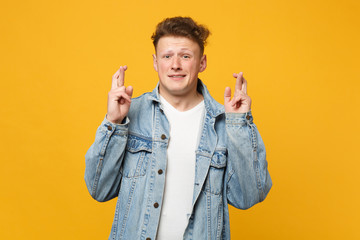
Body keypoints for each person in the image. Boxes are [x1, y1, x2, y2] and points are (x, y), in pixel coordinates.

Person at [85, 16, 272, 240]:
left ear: (201, 63)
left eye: (185, 56)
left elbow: (248, 197)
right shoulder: (129, 114)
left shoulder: (224, 122)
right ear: (155, 62)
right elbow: (100, 190)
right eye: (167, 56)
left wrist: (239, 125)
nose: (175, 65)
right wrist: (113, 123)